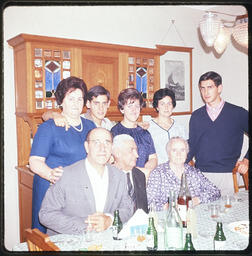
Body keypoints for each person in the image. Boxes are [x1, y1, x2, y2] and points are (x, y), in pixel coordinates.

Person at [29, 76, 96, 233]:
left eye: (79, 99)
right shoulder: (49, 127)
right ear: (61, 101)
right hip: (52, 189)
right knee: (50, 241)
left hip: (80, 191)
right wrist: (51, 174)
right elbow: (35, 161)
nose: (76, 103)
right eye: (71, 98)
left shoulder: (89, 125)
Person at [39, 127, 134, 236]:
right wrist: (88, 225)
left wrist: (110, 220)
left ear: (112, 148)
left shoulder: (119, 176)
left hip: (105, 241)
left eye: (107, 143)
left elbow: (128, 208)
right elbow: (46, 214)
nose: (102, 148)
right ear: (87, 147)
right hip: (70, 241)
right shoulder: (65, 175)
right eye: (96, 142)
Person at [187, 71, 249, 195]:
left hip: (228, 175)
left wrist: (246, 160)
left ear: (219, 88)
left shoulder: (238, 113)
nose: (205, 92)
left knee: (228, 213)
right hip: (201, 175)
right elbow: (192, 145)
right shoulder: (196, 116)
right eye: (202, 88)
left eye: (210, 87)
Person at [147, 137, 221, 210]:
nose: (178, 154)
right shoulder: (158, 174)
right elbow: (149, 203)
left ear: (187, 153)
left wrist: (197, 200)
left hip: (194, 216)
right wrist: (169, 206)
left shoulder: (194, 172)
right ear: (168, 154)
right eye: (174, 150)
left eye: (182, 150)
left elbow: (215, 191)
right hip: (169, 218)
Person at [111, 88, 157, 179]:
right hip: (122, 180)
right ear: (122, 109)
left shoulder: (145, 133)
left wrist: (143, 172)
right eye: (129, 106)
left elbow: (153, 158)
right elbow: (111, 161)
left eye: (137, 106)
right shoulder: (114, 132)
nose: (134, 110)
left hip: (143, 178)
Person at [42, 85, 114, 130]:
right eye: (96, 103)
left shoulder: (108, 123)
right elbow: (45, 115)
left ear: (108, 104)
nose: (101, 108)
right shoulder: (79, 120)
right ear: (88, 104)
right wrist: (55, 114)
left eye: (104, 103)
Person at [147, 88, 187, 164]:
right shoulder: (148, 128)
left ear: (173, 105)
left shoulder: (180, 128)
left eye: (169, 104)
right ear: (157, 107)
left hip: (178, 170)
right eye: (162, 104)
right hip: (157, 171)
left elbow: (186, 153)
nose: (166, 107)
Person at [112, 134, 149, 214]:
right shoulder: (108, 176)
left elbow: (144, 209)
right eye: (131, 150)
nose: (137, 155)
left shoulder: (140, 175)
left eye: (136, 150)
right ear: (118, 153)